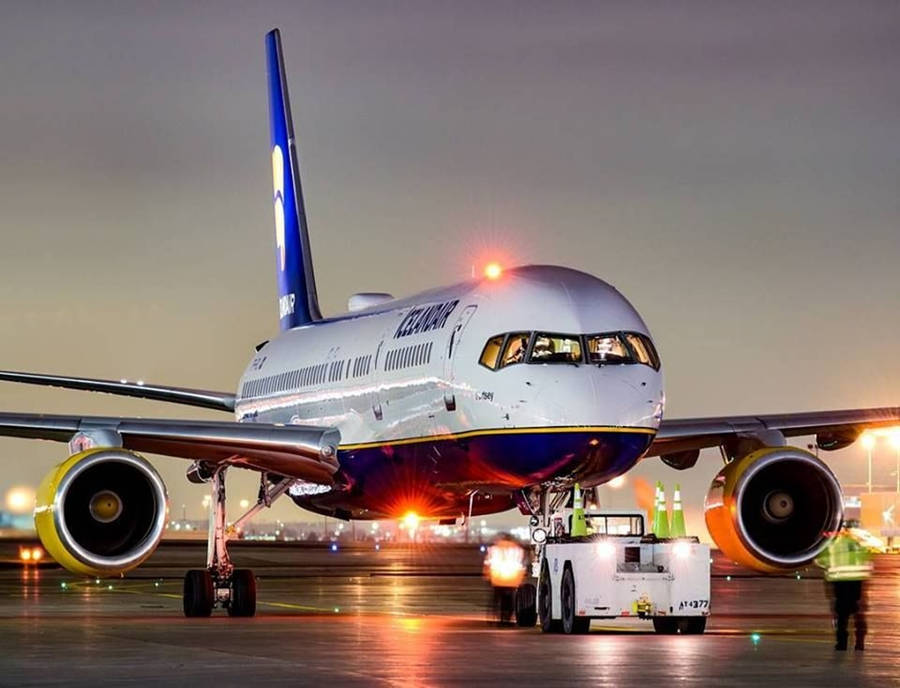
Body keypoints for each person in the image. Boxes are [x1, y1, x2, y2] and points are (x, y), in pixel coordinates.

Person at [815, 525, 873, 651]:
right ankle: (860, 642)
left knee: (841, 615)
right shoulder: (857, 543)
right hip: (857, 582)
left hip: (840, 582)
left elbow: (819, 561)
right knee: (858, 613)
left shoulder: (831, 545)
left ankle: (842, 644)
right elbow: (867, 560)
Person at [483, 533, 527, 625]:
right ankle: (508, 619)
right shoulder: (518, 549)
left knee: (496, 600)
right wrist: (521, 579)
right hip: (512, 580)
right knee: (510, 601)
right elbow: (523, 565)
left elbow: (488, 564)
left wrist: (487, 576)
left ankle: (497, 617)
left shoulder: (494, 549)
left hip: (497, 579)